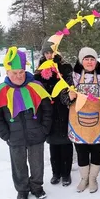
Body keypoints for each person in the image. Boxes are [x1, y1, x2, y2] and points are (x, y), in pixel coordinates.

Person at [0, 47, 52, 199]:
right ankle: (22, 190)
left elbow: (47, 111)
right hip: (15, 137)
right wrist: (6, 135)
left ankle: (37, 187)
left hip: (36, 134)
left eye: (21, 72)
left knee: (37, 164)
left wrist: (44, 130)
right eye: (14, 73)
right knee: (18, 165)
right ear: (8, 73)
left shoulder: (36, 87)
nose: (18, 76)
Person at [70, 47, 100, 194]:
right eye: (86, 59)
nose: (89, 62)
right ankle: (83, 179)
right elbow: (63, 99)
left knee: (96, 150)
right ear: (81, 61)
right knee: (81, 151)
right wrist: (69, 97)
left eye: (92, 59)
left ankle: (93, 178)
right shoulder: (72, 77)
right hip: (78, 121)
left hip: (98, 121)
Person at [34, 39, 74, 186]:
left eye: (51, 52)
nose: (49, 55)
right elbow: (36, 88)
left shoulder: (65, 67)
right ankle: (56, 173)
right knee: (53, 145)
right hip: (48, 111)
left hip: (63, 110)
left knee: (66, 144)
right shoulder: (40, 69)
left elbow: (71, 86)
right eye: (46, 52)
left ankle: (66, 173)